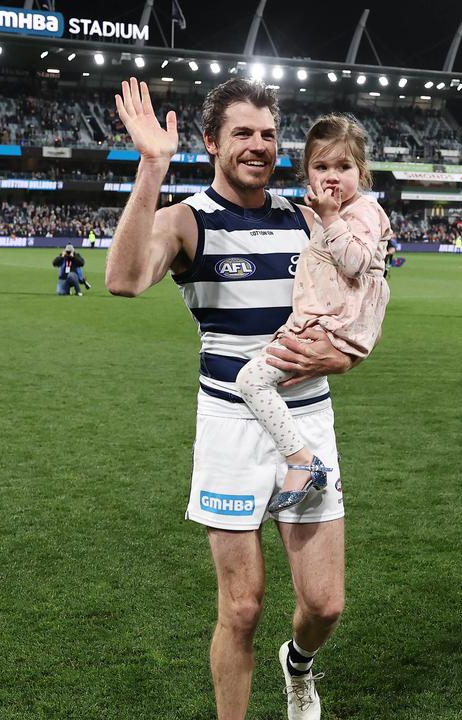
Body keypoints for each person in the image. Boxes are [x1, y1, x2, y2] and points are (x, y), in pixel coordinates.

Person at [107, 76, 353, 720]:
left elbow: (355, 313)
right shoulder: (188, 220)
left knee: (325, 603)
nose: (258, 145)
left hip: (308, 421)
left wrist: (346, 355)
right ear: (213, 142)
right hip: (231, 426)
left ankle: (298, 663)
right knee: (241, 607)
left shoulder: (307, 221)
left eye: (268, 134)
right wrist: (152, 166)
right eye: (243, 133)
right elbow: (125, 279)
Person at [236, 114, 391, 514]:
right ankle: (297, 460)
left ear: (362, 171)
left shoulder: (362, 212)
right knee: (265, 375)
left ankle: (302, 463)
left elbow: (356, 263)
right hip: (322, 318)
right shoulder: (328, 214)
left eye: (344, 166)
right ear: (307, 173)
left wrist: (331, 217)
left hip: (336, 323)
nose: (332, 177)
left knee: (250, 380)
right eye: (321, 167)